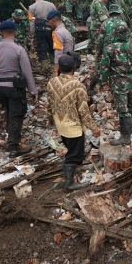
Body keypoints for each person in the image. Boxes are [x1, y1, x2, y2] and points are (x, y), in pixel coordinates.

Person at [46, 54, 100, 192]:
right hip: (73, 127)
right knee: (72, 155)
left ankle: (78, 157)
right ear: (74, 67)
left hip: (60, 123)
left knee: (73, 147)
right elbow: (83, 111)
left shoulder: (52, 82)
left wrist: (50, 120)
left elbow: (49, 105)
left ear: (59, 67)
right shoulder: (78, 86)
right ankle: (69, 183)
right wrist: (93, 128)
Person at [0, 21, 38, 158]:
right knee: (17, 115)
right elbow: (27, 72)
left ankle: (10, 138)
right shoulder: (19, 50)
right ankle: (14, 147)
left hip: (0, 88)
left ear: (1, 33)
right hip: (15, 88)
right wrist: (33, 91)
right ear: (15, 32)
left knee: (9, 112)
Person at [97, 15, 132, 145]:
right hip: (131, 82)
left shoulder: (109, 49)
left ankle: (125, 137)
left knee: (123, 110)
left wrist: (102, 83)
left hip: (118, 83)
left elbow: (104, 68)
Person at [88, 4, 125, 92]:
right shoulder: (123, 24)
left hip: (107, 51)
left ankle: (93, 88)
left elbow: (100, 40)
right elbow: (127, 40)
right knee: (117, 70)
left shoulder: (105, 24)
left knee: (100, 69)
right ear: (119, 13)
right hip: (119, 52)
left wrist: (98, 53)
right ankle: (116, 89)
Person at [29, 0, 56, 72]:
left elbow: (32, 21)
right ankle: (54, 65)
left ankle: (46, 68)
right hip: (50, 29)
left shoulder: (32, 7)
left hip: (39, 31)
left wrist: (32, 34)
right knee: (52, 47)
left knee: (42, 49)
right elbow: (56, 17)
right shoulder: (51, 5)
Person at [47, 9, 73, 76]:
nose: (48, 23)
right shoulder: (65, 31)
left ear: (53, 20)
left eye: (48, 21)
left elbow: (58, 52)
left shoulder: (58, 33)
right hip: (69, 62)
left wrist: (56, 70)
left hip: (63, 64)